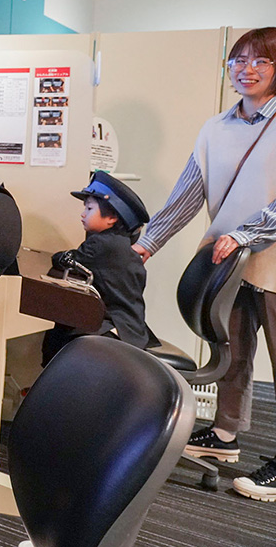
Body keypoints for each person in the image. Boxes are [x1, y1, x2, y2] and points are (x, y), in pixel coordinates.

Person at [132, 27, 276, 503]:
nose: (247, 69)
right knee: (231, 352)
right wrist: (148, 242)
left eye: (261, 61)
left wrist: (246, 233)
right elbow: (188, 193)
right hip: (226, 261)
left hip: (269, 259)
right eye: (238, 60)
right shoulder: (215, 128)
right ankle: (227, 436)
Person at [41, 170, 158, 365]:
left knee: (63, 333)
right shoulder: (118, 243)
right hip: (132, 328)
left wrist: (59, 256)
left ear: (111, 217)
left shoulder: (102, 245)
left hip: (116, 327)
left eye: (89, 209)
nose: (82, 214)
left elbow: (66, 259)